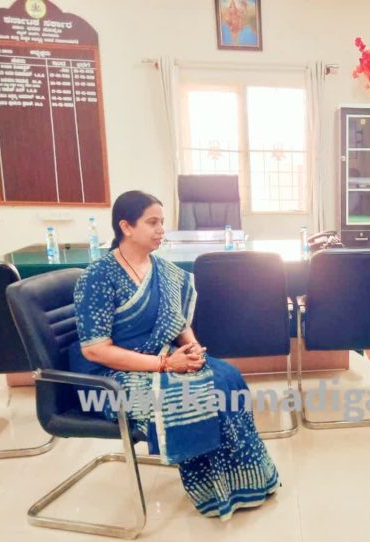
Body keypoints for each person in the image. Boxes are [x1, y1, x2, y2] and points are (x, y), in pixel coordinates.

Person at [69, 190, 278, 519]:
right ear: (126, 227)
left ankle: (248, 479)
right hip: (110, 379)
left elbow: (177, 321)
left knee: (227, 378)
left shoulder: (162, 269)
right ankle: (214, 490)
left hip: (162, 359)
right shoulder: (98, 277)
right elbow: (95, 349)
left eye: (162, 222)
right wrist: (166, 364)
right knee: (196, 396)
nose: (161, 230)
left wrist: (191, 348)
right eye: (152, 222)